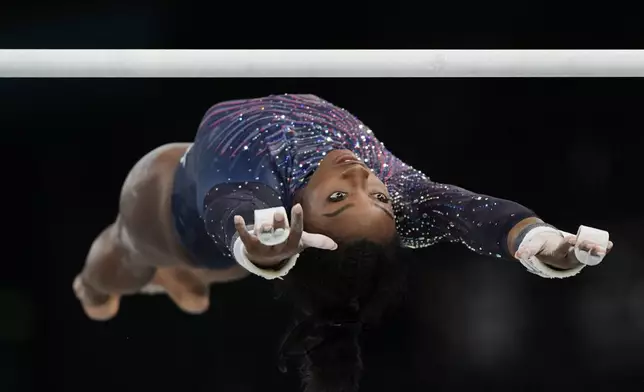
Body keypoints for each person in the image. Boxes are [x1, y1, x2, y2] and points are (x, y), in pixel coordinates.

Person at [73, 94, 612, 392]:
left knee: (114, 267)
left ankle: (102, 283)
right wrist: (532, 238)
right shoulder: (396, 194)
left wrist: (258, 251)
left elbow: (230, 204)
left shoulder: (250, 181)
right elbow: (463, 211)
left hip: (162, 217)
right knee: (212, 270)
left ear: (300, 220)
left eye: (337, 199)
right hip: (240, 250)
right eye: (376, 198)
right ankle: (193, 280)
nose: (358, 177)